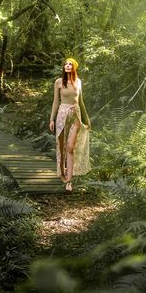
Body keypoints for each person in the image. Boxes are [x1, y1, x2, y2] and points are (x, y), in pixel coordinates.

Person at [48, 57, 91, 192]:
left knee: (70, 147)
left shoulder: (78, 82)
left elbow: (81, 102)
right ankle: (62, 172)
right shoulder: (58, 82)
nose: (67, 66)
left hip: (76, 115)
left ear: (74, 68)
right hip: (62, 114)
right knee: (61, 146)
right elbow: (56, 102)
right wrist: (52, 119)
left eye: (70, 64)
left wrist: (87, 119)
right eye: (66, 64)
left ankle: (69, 181)